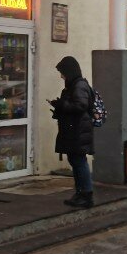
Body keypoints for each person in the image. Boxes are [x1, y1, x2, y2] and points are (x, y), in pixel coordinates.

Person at [50, 56, 94, 208]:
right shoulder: (74, 85)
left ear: (69, 71)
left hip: (78, 131)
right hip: (74, 130)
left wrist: (62, 104)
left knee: (79, 161)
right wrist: (59, 106)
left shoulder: (79, 85)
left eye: (62, 73)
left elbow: (80, 106)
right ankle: (80, 193)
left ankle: (86, 194)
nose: (61, 76)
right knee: (75, 161)